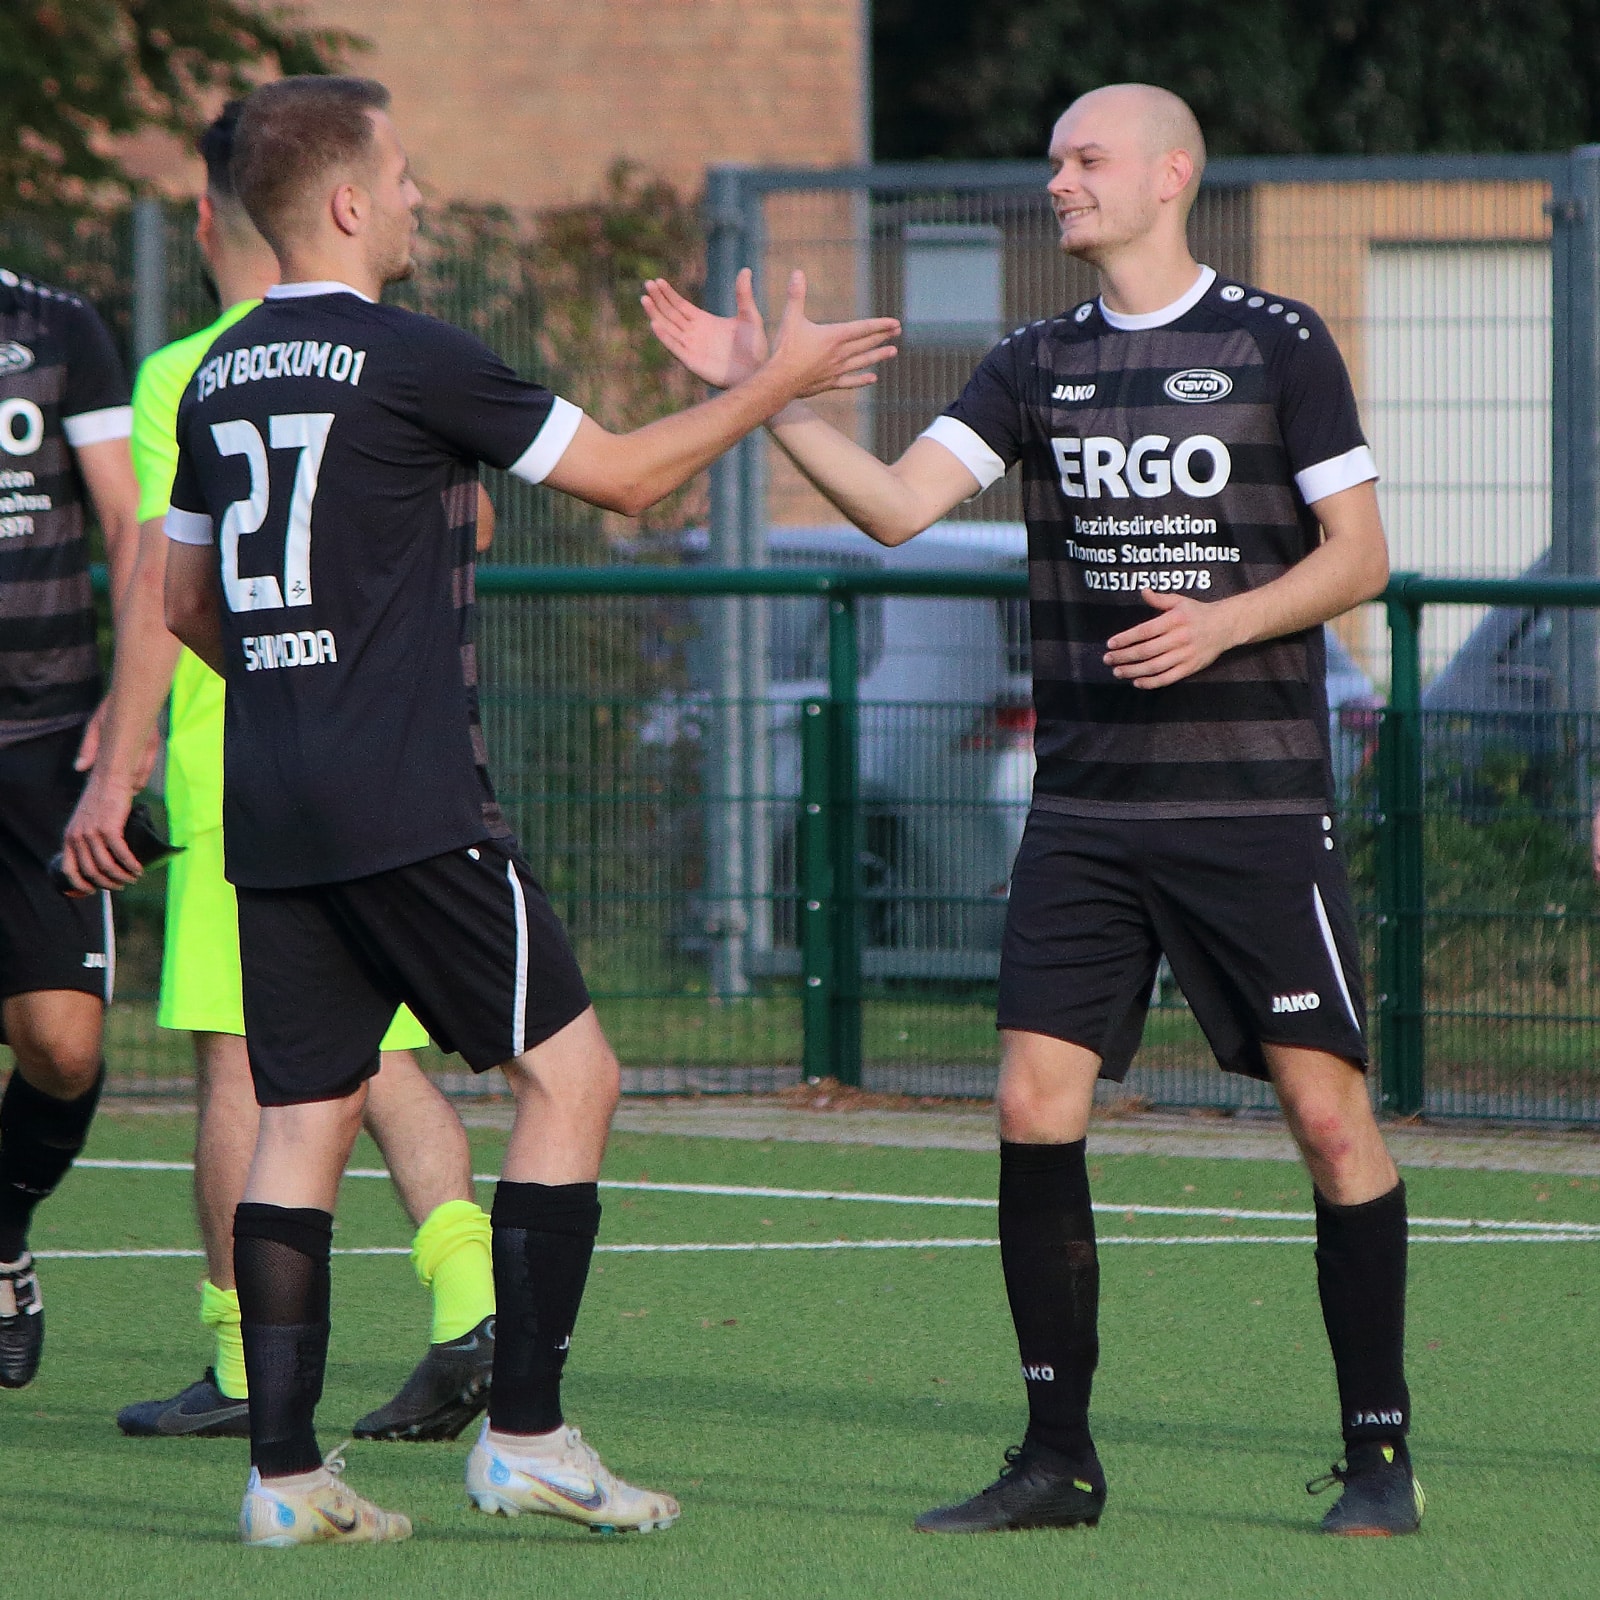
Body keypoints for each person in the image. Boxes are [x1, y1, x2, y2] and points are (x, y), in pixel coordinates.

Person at [643, 82, 1421, 1538]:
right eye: (1054, 160)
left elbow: (1361, 555)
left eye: (1085, 159)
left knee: (1327, 1121)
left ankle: (1380, 1457)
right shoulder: (1031, 360)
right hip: (1085, 812)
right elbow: (891, 506)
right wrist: (762, 396)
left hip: (1252, 809)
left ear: (1171, 173)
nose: (1056, 180)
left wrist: (1228, 622)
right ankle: (1056, 1458)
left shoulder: (1278, 339)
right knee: (1030, 1103)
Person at [149, 75, 897, 1546]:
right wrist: (773, 385)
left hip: (274, 801)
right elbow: (622, 478)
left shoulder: (222, 372)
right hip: (410, 801)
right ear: (351, 204)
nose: (422, 197)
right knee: (575, 1078)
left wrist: (310, 680)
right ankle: (531, 1437)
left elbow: (184, 599)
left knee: (303, 1116)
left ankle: (286, 1479)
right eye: (408, 176)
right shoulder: (410, 354)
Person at [63, 101, 501, 1444]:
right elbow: (466, 517)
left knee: (245, 1066)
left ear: (212, 218)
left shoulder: (191, 372)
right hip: (391, 758)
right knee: (386, 1055)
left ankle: (249, 1371)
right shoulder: (394, 358)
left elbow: (157, 582)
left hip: (238, 764)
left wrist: (120, 750)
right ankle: (472, 1305)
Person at [0, 260, 140, 1389]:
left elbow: (132, 529)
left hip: (46, 744)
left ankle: (3, 1227)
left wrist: (127, 706)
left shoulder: (56, 325)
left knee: (62, 1041)